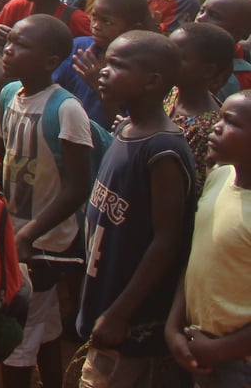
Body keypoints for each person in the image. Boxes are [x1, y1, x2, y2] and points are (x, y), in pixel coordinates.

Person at [75, 30, 198, 388]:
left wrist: (120, 313)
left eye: (116, 65)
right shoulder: (128, 128)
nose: (102, 70)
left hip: (132, 319)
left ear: (153, 81)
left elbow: (167, 241)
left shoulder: (162, 150)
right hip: (105, 298)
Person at [0, 13, 97, 388]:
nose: (8, 50)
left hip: (42, 242)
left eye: (21, 45)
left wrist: (28, 235)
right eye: (9, 41)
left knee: (16, 338)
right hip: (15, 230)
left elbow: (77, 187)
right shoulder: (9, 95)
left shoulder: (65, 109)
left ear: (52, 61)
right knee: (46, 323)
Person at [165, 92, 251, 383]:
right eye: (219, 117)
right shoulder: (219, 176)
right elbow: (197, 261)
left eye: (230, 122)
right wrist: (173, 327)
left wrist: (219, 349)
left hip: (238, 361)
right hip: (198, 344)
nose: (216, 126)